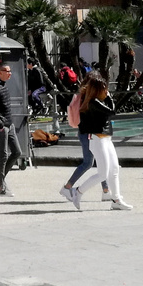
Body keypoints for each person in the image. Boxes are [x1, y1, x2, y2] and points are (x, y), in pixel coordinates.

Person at [69, 77, 130, 210]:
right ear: (97, 89)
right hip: (98, 140)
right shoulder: (93, 102)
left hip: (106, 139)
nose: (107, 91)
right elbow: (112, 111)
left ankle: (116, 199)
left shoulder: (96, 101)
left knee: (114, 169)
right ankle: (77, 192)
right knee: (103, 173)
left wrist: (107, 98)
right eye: (104, 88)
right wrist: (109, 98)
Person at [59, 74, 110, 205]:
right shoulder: (88, 98)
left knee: (100, 162)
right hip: (88, 134)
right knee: (89, 162)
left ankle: (106, 190)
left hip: (87, 133)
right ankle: (68, 188)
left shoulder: (86, 96)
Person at [0, 62, 22, 197]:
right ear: (0, 72)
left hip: (9, 123)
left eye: (10, 71)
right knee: (3, 155)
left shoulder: (3, 85)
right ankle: (1, 187)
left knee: (17, 152)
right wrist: (0, 126)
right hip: (1, 126)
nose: (10, 73)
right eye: (7, 71)